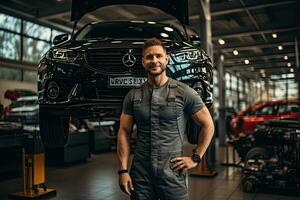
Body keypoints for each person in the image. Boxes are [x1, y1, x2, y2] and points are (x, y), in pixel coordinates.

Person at [117, 38, 214, 200]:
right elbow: (123, 132)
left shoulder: (185, 92)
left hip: (172, 172)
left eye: (158, 56)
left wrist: (195, 158)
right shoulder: (133, 96)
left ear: (166, 59)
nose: (154, 61)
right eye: (149, 57)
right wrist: (123, 170)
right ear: (143, 62)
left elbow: (208, 124)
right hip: (141, 174)